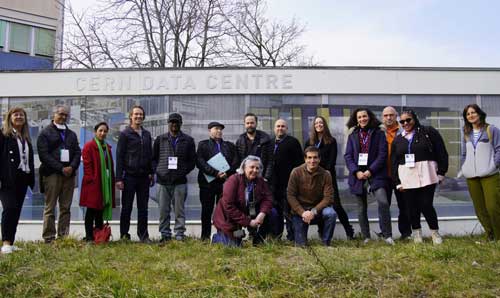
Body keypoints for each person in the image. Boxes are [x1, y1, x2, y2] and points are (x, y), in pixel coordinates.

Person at [392, 109, 448, 244]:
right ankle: (417, 233)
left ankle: (435, 232)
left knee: (426, 204)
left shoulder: (428, 132)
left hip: (427, 173)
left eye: (408, 120)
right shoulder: (398, 139)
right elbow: (394, 162)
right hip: (407, 176)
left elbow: (442, 152)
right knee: (411, 207)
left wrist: (441, 172)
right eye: (402, 121)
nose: (405, 123)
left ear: (415, 119)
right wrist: (397, 182)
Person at [344, 108, 393, 244]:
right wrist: (356, 171)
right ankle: (366, 236)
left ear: (369, 117)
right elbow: (348, 156)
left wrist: (370, 170)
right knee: (361, 208)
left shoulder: (378, 133)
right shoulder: (353, 135)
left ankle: (387, 235)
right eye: (359, 117)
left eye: (364, 116)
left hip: (376, 174)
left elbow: (382, 154)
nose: (362, 119)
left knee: (383, 202)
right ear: (356, 119)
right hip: (358, 176)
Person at [305, 116, 354, 239]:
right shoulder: (309, 142)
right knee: (319, 205)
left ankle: (349, 231)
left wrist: (321, 171)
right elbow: (306, 161)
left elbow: (331, 162)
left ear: (324, 125)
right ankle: (322, 233)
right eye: (316, 123)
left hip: (328, 178)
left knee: (336, 205)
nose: (318, 125)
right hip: (313, 179)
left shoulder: (331, 141)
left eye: (321, 123)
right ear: (314, 126)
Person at [38, 105, 81, 243]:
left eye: (65, 115)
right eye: (60, 114)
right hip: (52, 174)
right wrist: (61, 168)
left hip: (69, 175)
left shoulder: (71, 134)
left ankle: (63, 237)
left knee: (65, 207)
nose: (63, 117)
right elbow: (44, 155)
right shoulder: (45, 133)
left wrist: (72, 167)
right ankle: (49, 238)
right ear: (54, 114)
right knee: (50, 207)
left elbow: (77, 152)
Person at [212, 156, 273, 247]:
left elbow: (268, 198)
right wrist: (248, 222)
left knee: (273, 213)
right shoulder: (233, 180)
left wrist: (262, 214)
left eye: (257, 168)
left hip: (247, 212)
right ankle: (217, 237)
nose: (255, 170)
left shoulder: (260, 181)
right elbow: (229, 206)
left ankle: (258, 240)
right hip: (228, 218)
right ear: (244, 167)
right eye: (252, 167)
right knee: (234, 246)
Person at [153, 113, 196, 242]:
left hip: (180, 181)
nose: (174, 124)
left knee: (179, 210)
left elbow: (192, 161)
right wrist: (159, 171)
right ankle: (165, 234)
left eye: (177, 122)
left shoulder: (188, 140)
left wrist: (182, 172)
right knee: (163, 210)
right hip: (162, 181)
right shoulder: (160, 139)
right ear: (168, 123)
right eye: (172, 122)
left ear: (181, 123)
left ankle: (179, 234)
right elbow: (153, 159)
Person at [460, 104, 500, 241]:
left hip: (490, 175)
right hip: (472, 177)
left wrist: (494, 165)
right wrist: (465, 167)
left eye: (473, 112)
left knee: (493, 206)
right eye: (468, 114)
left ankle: (499, 236)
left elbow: (499, 149)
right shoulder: (466, 133)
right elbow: (464, 153)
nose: (471, 115)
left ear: (480, 114)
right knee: (480, 209)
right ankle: (491, 236)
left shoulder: (491, 129)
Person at [116, 105, 154, 242]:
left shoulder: (147, 134)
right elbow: (119, 156)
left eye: (140, 114)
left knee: (143, 209)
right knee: (127, 207)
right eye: (136, 114)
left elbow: (150, 155)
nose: (138, 116)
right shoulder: (125, 134)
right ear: (131, 116)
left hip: (144, 177)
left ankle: (143, 235)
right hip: (129, 177)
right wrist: (119, 178)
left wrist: (151, 172)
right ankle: (124, 235)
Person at [196, 121, 238, 240]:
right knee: (206, 210)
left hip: (224, 183)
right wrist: (215, 173)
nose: (219, 131)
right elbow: (200, 162)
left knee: (223, 210)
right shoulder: (203, 145)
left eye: (220, 129)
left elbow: (236, 161)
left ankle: (223, 235)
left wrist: (227, 173)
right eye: (216, 128)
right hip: (207, 184)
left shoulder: (229, 146)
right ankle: (205, 237)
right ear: (209, 130)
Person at [0, 107, 35, 254]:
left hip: (23, 178)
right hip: (7, 179)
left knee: (16, 211)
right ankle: (6, 242)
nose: (19, 117)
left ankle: (11, 242)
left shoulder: (25, 137)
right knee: (9, 208)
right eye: (16, 114)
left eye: (21, 115)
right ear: (10, 118)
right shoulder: (3, 135)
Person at [287, 146, 337, 246]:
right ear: (305, 159)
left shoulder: (326, 174)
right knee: (301, 245)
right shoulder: (296, 172)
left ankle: (326, 243)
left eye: (315, 157)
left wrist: (313, 211)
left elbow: (328, 198)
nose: (312, 160)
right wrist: (302, 212)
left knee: (331, 213)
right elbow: (290, 195)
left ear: (319, 159)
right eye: (309, 158)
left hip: (318, 210)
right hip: (301, 211)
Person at [80, 122, 116, 242]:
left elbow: (110, 165)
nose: (102, 133)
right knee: (91, 210)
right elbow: (87, 166)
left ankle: (99, 235)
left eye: (105, 131)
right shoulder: (89, 146)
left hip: (104, 183)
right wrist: (92, 179)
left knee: (100, 209)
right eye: (100, 131)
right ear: (95, 132)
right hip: (93, 183)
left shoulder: (107, 147)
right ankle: (89, 236)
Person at [270, 119, 304, 240]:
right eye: (278, 126)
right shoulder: (270, 142)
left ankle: (292, 237)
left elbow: (300, 164)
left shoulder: (293, 142)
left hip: (289, 184)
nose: (280, 128)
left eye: (283, 126)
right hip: (273, 185)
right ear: (274, 129)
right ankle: (277, 236)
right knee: (277, 212)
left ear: (287, 129)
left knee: (289, 212)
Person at [382, 106, 412, 240]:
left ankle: (406, 233)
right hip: (383, 175)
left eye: (391, 115)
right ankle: (386, 234)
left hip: (400, 175)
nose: (389, 118)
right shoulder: (378, 132)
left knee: (404, 205)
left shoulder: (404, 131)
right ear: (382, 117)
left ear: (396, 117)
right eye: (386, 115)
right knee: (384, 205)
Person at [235, 113, 274, 182]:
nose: (250, 125)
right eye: (248, 123)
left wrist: (266, 178)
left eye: (252, 123)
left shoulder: (266, 139)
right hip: (245, 177)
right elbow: (238, 160)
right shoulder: (240, 140)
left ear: (256, 123)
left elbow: (270, 161)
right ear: (244, 124)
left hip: (261, 177)